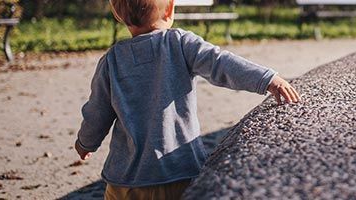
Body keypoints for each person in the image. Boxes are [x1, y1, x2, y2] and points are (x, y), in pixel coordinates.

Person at [72, 0, 301, 199]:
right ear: (170, 8)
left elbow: (97, 112)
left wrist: (85, 143)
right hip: (180, 173)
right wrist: (267, 79)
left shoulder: (111, 60)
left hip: (126, 182)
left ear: (118, 15)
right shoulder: (180, 43)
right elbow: (221, 64)